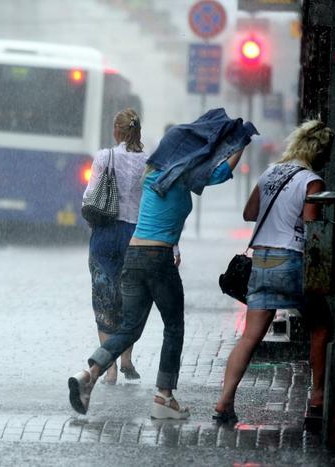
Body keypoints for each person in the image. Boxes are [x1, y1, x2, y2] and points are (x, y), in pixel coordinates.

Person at [69, 108, 257, 418]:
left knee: (130, 328)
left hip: (134, 256)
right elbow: (222, 172)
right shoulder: (183, 176)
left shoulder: (152, 172)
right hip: (158, 259)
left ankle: (88, 375)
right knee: (174, 327)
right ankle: (164, 397)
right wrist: (241, 144)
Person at [214, 120, 335, 424]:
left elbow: (249, 213)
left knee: (250, 337)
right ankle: (317, 401)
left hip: (261, 262)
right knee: (320, 327)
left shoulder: (270, 173)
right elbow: (311, 230)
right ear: (317, 151)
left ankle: (224, 402)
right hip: (291, 262)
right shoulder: (311, 181)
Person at [83, 108, 148, 385]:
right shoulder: (148, 162)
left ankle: (107, 368)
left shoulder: (103, 157)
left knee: (104, 299)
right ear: (137, 131)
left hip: (105, 232)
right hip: (136, 235)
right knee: (129, 300)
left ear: (116, 131)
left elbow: (89, 195)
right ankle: (126, 360)